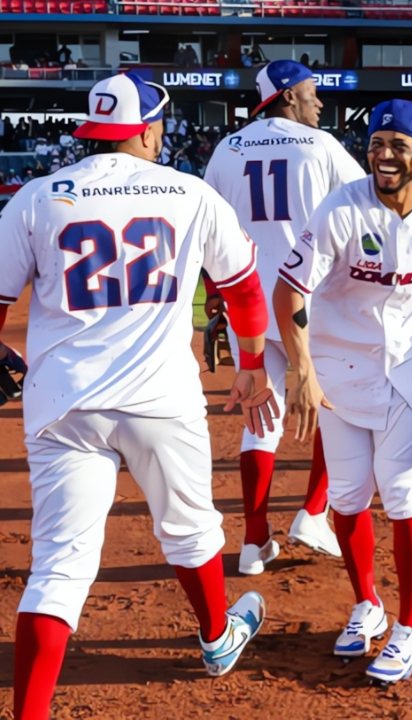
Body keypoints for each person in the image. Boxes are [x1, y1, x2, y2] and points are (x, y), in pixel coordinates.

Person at [0, 71, 274, 718]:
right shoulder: (188, 192)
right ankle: (215, 637)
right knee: (190, 529)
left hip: (63, 399)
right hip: (160, 394)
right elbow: (242, 289)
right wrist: (252, 364)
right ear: (149, 129)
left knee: (60, 567)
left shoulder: (37, 196)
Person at [273, 99, 412, 683]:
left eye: (399, 144)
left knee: (402, 493)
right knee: (347, 499)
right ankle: (367, 604)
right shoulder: (340, 208)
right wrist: (303, 370)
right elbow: (289, 290)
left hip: (407, 374)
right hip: (337, 373)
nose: (385, 154)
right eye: (377, 142)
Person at [204, 59, 366, 575]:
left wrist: (213, 293)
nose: (319, 103)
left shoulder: (227, 148)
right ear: (289, 96)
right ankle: (313, 512)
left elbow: (211, 230)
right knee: (336, 408)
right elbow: (369, 206)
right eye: (312, 93)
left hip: (248, 300)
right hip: (308, 299)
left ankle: (254, 541)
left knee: (260, 418)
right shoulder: (320, 146)